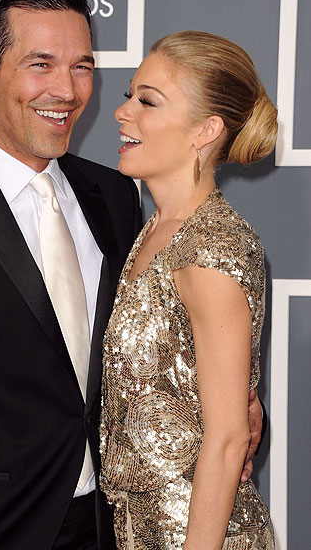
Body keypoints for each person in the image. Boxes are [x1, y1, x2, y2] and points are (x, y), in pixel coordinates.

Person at [0, 0, 262, 550]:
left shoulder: (116, 196)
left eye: (82, 67)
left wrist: (236, 407)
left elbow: (159, 349)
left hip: (113, 530)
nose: (68, 91)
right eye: (41, 64)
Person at [99, 30, 277, 549]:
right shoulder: (153, 229)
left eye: (148, 101)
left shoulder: (211, 247)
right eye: (129, 95)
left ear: (206, 129)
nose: (123, 112)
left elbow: (228, 439)